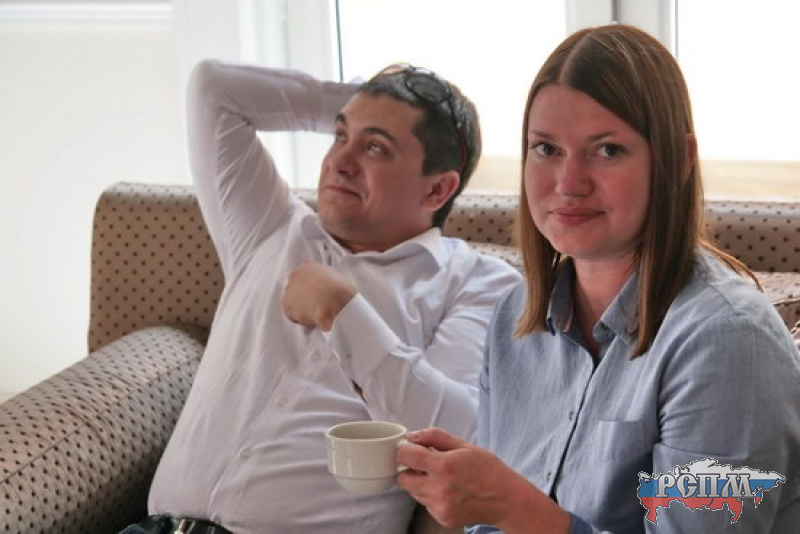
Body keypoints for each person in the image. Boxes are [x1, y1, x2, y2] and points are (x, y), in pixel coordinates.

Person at [396, 24, 800, 533]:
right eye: (547, 149)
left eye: (607, 150)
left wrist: (512, 507)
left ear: (678, 162)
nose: (568, 184)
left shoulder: (728, 339)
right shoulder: (513, 316)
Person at [119, 59, 521, 534]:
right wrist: (371, 97)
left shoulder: (477, 283)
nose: (339, 162)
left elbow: (453, 436)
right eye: (339, 135)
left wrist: (343, 313)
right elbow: (214, 88)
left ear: (438, 189)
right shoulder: (269, 229)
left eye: (375, 147)